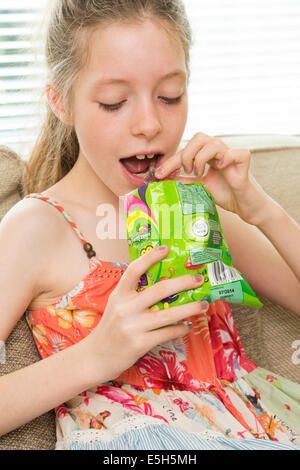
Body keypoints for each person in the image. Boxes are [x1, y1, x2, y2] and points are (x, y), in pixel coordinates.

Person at [0, 0, 299, 450]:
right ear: (61, 102)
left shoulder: (196, 208)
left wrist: (259, 210)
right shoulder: (38, 229)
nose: (149, 124)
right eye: (114, 103)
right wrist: (97, 356)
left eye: (170, 96)